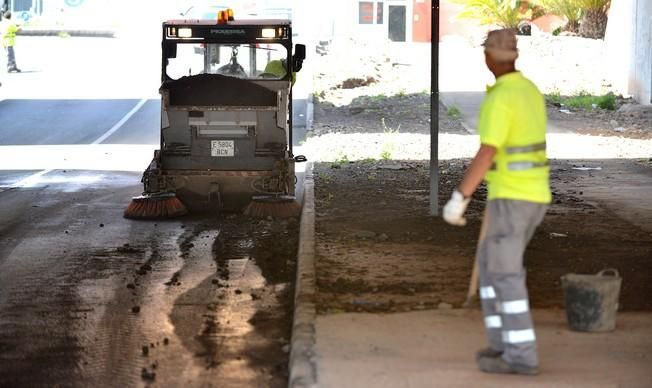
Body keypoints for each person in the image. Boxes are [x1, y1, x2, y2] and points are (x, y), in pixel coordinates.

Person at [443, 28, 550, 376]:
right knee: (490, 268)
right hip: (530, 196)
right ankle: (502, 344)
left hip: (514, 199)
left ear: (488, 57)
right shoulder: (529, 91)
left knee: (504, 275)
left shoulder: (501, 96)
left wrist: (461, 197)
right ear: (514, 56)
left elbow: (488, 151)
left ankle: (521, 356)